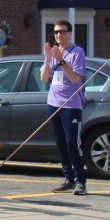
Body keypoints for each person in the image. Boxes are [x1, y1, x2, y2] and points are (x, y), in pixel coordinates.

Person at [41, 20, 88, 196]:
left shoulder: (77, 52)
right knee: (60, 143)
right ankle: (68, 178)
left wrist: (61, 60)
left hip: (71, 104)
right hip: (53, 103)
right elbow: (44, 78)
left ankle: (81, 181)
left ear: (69, 33)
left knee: (72, 143)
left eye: (62, 32)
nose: (59, 35)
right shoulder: (54, 52)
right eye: (56, 32)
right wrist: (48, 59)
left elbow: (75, 79)